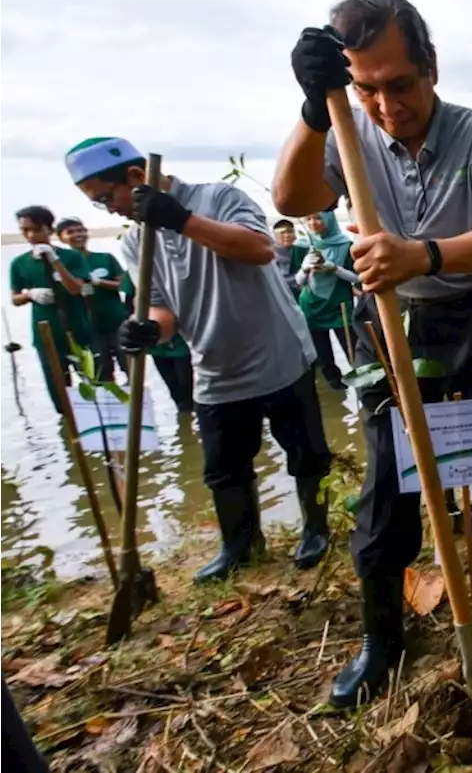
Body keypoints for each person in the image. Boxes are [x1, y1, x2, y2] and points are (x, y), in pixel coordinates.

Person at [274, 0, 472, 708]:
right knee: (388, 485)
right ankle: (384, 636)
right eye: (365, 88)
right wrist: (316, 111)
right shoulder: (347, 131)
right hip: (394, 324)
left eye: (399, 85)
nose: (385, 105)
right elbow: (291, 197)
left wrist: (421, 255)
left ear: (430, 68)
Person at [63, 137, 334, 581]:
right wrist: (150, 327)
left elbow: (258, 249)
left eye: (105, 198)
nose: (109, 210)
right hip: (213, 366)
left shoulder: (218, 198)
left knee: (306, 453)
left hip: (278, 355)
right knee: (224, 469)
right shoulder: (136, 243)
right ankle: (241, 545)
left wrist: (180, 220)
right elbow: (162, 309)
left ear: (135, 178)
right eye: (97, 203)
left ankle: (316, 529)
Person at [8, 205, 91, 413]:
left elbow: (76, 289)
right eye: (25, 231)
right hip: (45, 335)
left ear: (49, 230)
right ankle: (70, 435)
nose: (30, 235)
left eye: (35, 229)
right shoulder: (19, 263)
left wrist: (55, 261)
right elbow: (15, 299)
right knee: (59, 393)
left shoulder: (72, 257)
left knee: (93, 385)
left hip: (76, 330)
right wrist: (30, 295)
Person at [54, 216, 132, 382]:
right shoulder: (63, 264)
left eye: (81, 230)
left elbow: (123, 284)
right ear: (61, 237)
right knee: (100, 375)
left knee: (131, 367)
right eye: (71, 232)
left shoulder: (105, 258)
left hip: (116, 321)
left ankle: (139, 405)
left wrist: (99, 282)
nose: (78, 234)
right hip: (88, 327)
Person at [296, 210, 360, 391]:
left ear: (329, 220)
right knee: (323, 354)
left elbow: (357, 278)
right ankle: (336, 387)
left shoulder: (346, 245)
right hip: (311, 306)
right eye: (308, 218)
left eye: (317, 218)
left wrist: (335, 268)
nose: (312, 223)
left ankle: (364, 388)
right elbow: (298, 281)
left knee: (353, 350)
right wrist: (305, 268)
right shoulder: (303, 245)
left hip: (339, 305)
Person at [151, 333, 196, 413]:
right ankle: (184, 416)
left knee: (186, 386)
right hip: (158, 349)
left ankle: (188, 416)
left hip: (182, 346)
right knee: (173, 387)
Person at [272, 219, 306, 297]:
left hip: (299, 294)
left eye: (290, 232)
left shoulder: (301, 251)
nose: (287, 235)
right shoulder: (269, 253)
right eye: (282, 232)